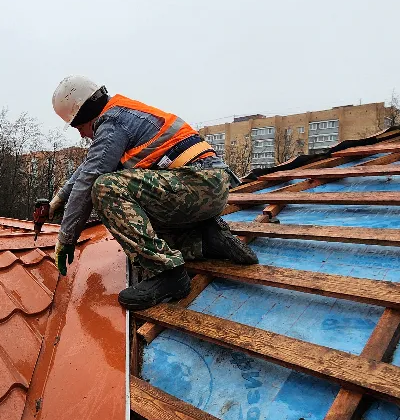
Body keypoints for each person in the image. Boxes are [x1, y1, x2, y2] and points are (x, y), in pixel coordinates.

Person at [48, 75, 259, 311]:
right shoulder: (121, 115)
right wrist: (57, 200)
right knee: (137, 218)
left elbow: (89, 179)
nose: (81, 135)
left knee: (105, 188)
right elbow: (88, 166)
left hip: (197, 184)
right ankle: (207, 241)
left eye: (78, 127)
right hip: (208, 188)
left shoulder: (111, 122)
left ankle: (168, 273)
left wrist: (65, 238)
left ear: (85, 114)